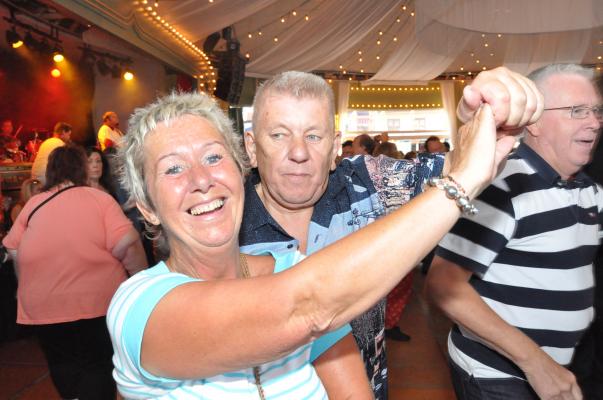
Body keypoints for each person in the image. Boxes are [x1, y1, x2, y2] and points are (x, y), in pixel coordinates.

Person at [107, 83, 536, 398]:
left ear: (238, 170)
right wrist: (461, 183)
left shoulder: (289, 266)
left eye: (214, 157)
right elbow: (304, 307)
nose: (201, 179)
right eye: (173, 168)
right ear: (147, 207)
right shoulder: (138, 306)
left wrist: (487, 118)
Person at [240, 68, 542, 398]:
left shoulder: (367, 182)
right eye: (279, 135)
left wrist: (490, 116)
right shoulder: (223, 220)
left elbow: (453, 167)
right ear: (252, 148)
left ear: (335, 147)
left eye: (313, 136)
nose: (298, 152)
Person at [426, 63, 602, 400]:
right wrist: (537, 364)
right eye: (577, 111)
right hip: (501, 378)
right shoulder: (502, 185)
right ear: (533, 122)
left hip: (559, 371)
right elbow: (443, 285)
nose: (594, 122)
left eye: (596, 110)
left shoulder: (586, 187)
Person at [3, 145, 147, 400]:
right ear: (82, 168)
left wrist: (23, 283)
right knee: (98, 363)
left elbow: (13, 248)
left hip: (42, 306)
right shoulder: (98, 199)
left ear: (51, 171)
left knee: (61, 362)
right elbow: (127, 243)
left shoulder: (34, 203)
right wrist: (141, 281)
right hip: (96, 303)